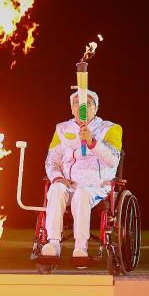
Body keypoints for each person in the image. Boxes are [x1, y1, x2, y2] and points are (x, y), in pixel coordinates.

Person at [41, 89, 122, 259]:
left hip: (96, 186)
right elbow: (51, 160)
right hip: (69, 184)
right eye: (77, 103)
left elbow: (113, 159)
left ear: (96, 108)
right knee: (55, 188)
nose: (82, 107)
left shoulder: (111, 129)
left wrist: (92, 142)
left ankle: (81, 247)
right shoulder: (61, 129)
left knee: (82, 193)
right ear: (71, 108)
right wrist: (58, 178)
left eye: (88, 104)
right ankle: (53, 243)